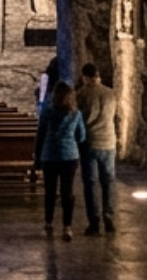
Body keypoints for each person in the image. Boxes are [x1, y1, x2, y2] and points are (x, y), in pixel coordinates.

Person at [37, 82, 88, 239]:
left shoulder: (47, 113)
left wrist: (37, 155)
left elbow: (40, 135)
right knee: (67, 191)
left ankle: (49, 222)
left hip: (50, 155)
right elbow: (81, 136)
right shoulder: (76, 114)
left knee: (50, 191)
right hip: (69, 156)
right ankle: (67, 226)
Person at [77, 62, 119, 234]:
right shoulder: (111, 94)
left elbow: (78, 120)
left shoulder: (81, 94)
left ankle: (94, 222)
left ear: (85, 77)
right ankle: (109, 217)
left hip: (89, 143)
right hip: (109, 142)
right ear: (98, 75)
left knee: (90, 184)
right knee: (108, 181)